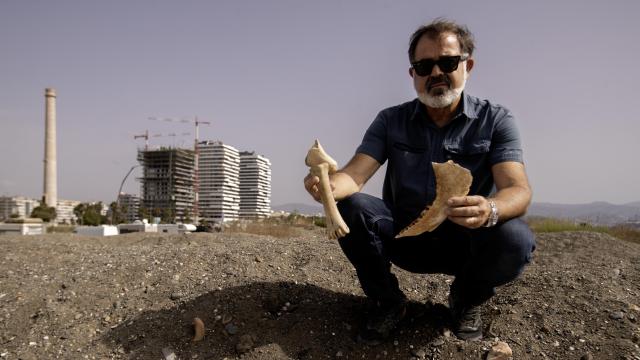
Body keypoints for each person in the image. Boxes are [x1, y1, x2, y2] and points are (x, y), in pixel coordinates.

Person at [303, 19, 535, 344]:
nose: (436, 73)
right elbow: (354, 176)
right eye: (424, 65)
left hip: (467, 243)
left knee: (515, 237)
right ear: (413, 74)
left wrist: (490, 208)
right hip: (405, 238)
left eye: (448, 62)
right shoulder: (390, 121)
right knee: (352, 206)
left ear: (467, 66)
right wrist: (326, 186)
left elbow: (518, 190)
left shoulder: (496, 121)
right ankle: (388, 302)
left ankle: (465, 300)